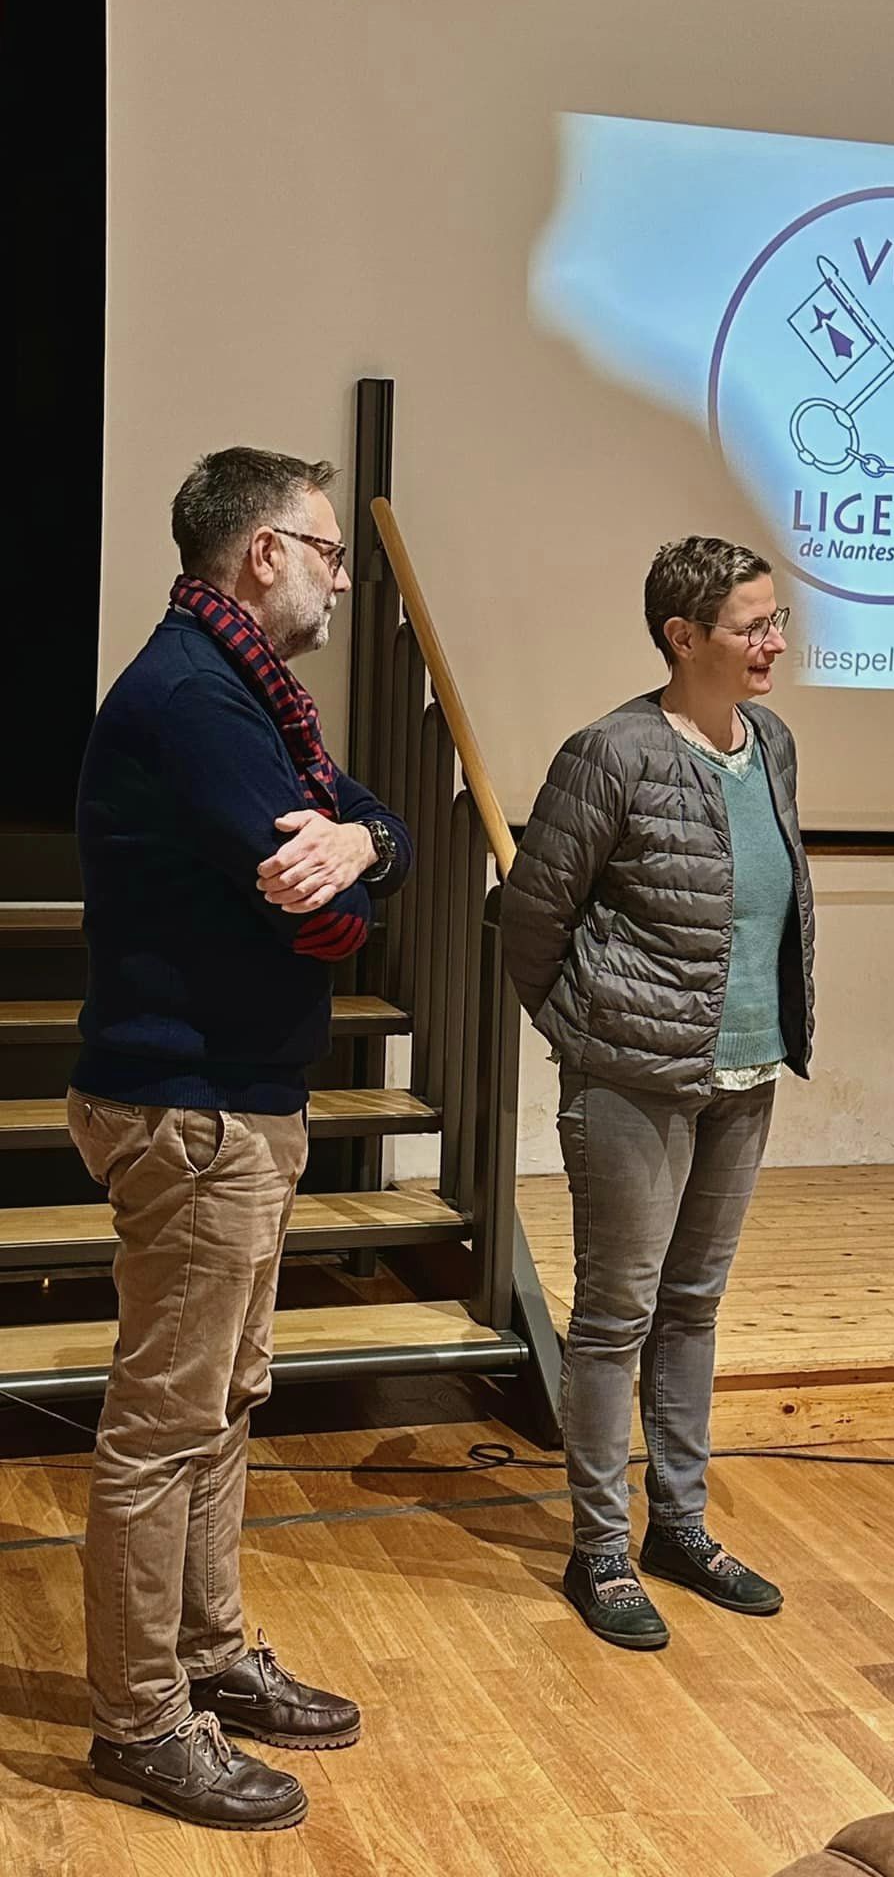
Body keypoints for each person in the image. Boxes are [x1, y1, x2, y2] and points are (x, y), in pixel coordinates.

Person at [67, 447, 411, 1830]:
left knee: (221, 1401)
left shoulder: (249, 695)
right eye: (328, 551)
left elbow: (370, 829)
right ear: (263, 554)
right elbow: (318, 906)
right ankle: (142, 1720)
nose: (342, 578)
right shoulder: (195, 698)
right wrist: (357, 867)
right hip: (192, 1105)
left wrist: (364, 843)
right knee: (166, 1425)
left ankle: (207, 1656)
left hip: (234, 1099)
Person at [500, 535, 814, 1649]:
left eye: (776, 621)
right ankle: (598, 1548)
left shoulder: (772, 744)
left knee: (693, 1307)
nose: (773, 643)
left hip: (746, 1071)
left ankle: (679, 1526)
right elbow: (531, 919)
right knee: (614, 1316)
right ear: (683, 637)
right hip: (632, 1079)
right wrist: (588, 1032)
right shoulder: (611, 753)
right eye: (751, 626)